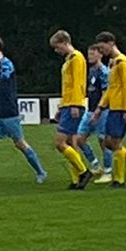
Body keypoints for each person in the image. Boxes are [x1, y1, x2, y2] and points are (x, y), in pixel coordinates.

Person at [0, 36, 47, 185]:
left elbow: (3, 88)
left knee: (20, 143)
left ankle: (41, 172)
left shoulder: (6, 65)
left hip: (9, 111)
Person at [93, 31, 126, 186]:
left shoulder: (122, 62)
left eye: (103, 48)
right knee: (110, 142)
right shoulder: (113, 63)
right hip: (112, 107)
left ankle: (120, 179)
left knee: (114, 142)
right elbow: (111, 88)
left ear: (111, 43)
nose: (102, 52)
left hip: (120, 108)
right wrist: (101, 107)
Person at [47, 29, 94, 189]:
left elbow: (78, 83)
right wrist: (61, 106)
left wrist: (74, 103)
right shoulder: (68, 60)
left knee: (59, 142)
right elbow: (66, 86)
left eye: (57, 46)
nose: (56, 50)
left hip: (74, 105)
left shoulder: (77, 58)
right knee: (70, 143)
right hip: (67, 104)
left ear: (65, 43)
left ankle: (83, 172)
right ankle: (76, 180)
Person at [74, 44, 108, 172]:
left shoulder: (104, 72)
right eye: (89, 54)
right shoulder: (91, 71)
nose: (90, 57)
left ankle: (108, 169)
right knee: (79, 139)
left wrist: (99, 110)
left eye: (92, 54)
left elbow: (106, 93)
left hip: (102, 111)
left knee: (103, 141)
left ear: (100, 54)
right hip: (90, 110)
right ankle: (95, 164)